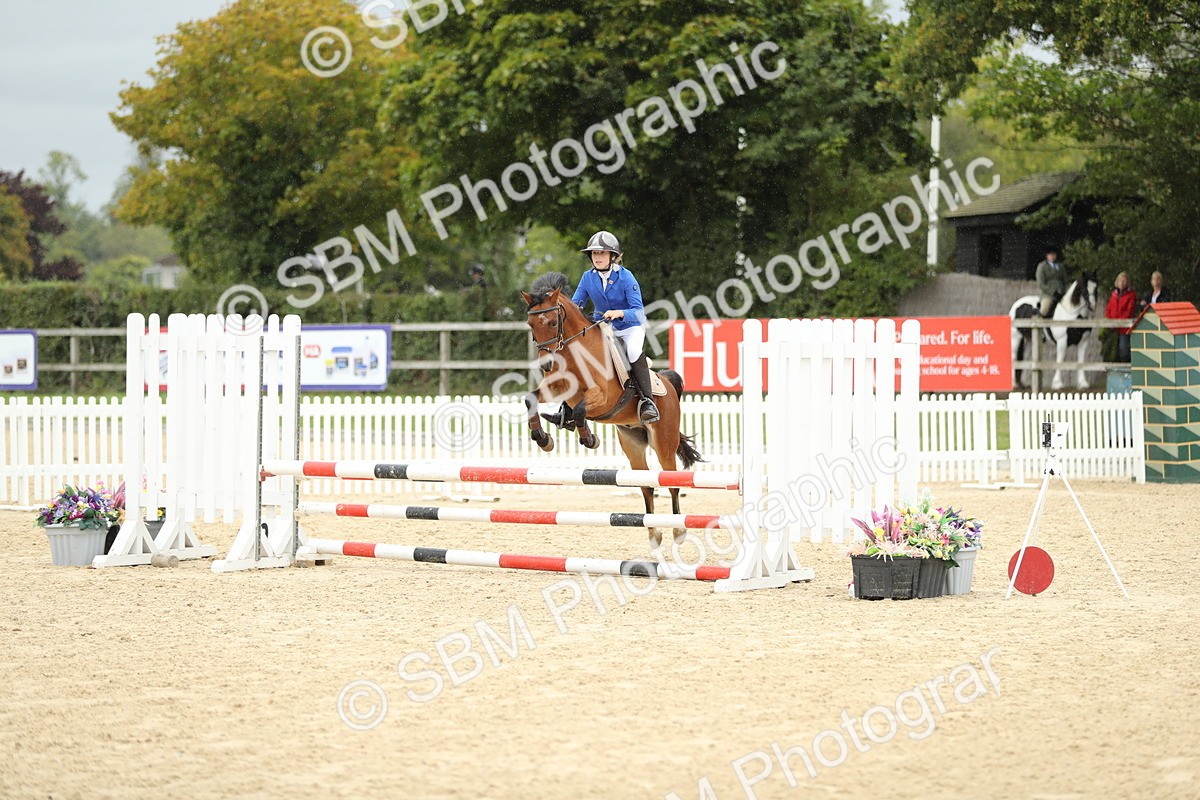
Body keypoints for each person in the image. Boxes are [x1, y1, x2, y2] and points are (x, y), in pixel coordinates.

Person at [571, 230, 659, 424]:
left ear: (613, 256)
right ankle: (566, 407)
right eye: (595, 253)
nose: (598, 257)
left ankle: (647, 402)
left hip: (630, 328)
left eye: (602, 253)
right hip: (604, 328)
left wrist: (619, 313)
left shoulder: (626, 277)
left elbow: (639, 313)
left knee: (633, 352)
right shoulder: (587, 277)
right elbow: (576, 304)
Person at [1105, 271, 1137, 362]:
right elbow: (1108, 309)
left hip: (1124, 328)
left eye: (1124, 281)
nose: (1122, 283)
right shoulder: (1114, 295)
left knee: (1124, 350)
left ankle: (1125, 366)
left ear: (1127, 282)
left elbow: (1129, 311)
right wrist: (1110, 321)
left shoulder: (1131, 295)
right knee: (1111, 350)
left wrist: (1118, 322)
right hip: (1113, 328)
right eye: (1120, 281)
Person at [1035, 248, 1069, 317]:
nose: (1052, 256)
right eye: (1050, 254)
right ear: (1047, 255)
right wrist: (1053, 292)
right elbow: (1041, 284)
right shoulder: (1042, 266)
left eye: (1054, 254)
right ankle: (1037, 321)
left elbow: (1065, 281)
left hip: (1061, 294)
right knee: (1044, 309)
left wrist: (1065, 291)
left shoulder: (1060, 266)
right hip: (1048, 295)